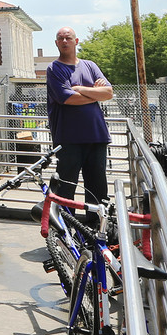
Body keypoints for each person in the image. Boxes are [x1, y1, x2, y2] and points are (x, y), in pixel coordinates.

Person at [45, 26, 114, 207]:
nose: (64, 41)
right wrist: (94, 92)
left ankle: (96, 229)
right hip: (68, 140)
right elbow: (67, 98)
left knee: (98, 189)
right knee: (66, 188)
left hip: (96, 137)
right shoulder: (54, 69)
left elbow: (108, 93)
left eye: (68, 38)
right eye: (60, 38)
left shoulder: (90, 65)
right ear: (56, 43)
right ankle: (67, 229)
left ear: (76, 41)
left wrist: (81, 89)